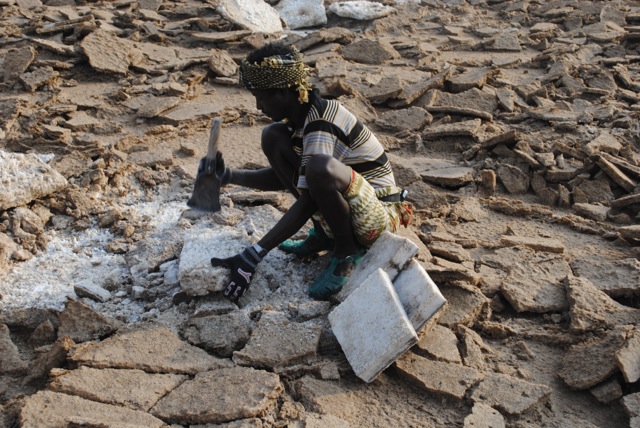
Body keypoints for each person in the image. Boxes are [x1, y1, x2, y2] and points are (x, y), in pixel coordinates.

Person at [209, 41, 413, 302]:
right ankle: (324, 235)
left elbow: (310, 197)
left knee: (319, 168)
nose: (259, 106)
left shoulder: (320, 123)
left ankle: (346, 250)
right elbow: (288, 179)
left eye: (261, 97)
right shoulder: (300, 120)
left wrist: (255, 253)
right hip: (353, 203)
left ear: (283, 93)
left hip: (378, 218)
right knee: (273, 137)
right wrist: (229, 176)